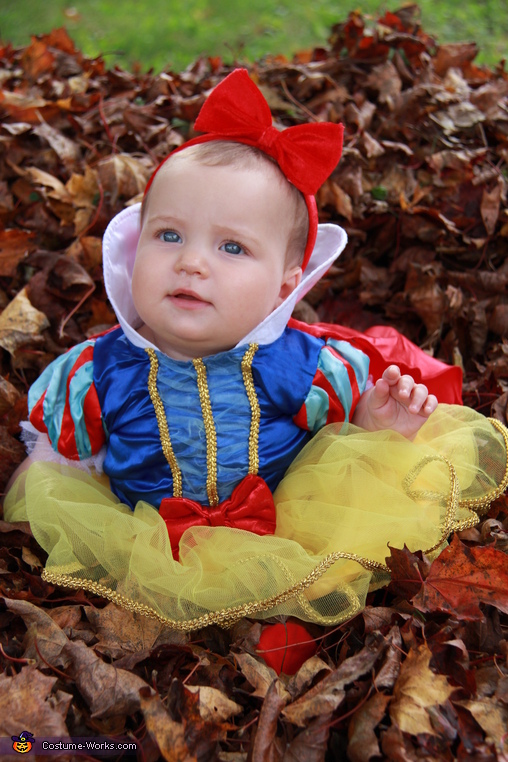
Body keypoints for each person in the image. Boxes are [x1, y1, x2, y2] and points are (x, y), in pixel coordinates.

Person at [4, 69, 507, 674]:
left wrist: (378, 421)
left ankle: (286, 628)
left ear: (285, 286)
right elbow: (58, 469)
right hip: (144, 539)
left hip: (284, 526)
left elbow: (348, 449)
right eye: (169, 235)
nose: (191, 263)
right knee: (123, 611)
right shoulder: (95, 373)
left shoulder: (303, 364)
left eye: (232, 247)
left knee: (316, 576)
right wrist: (35, 517)